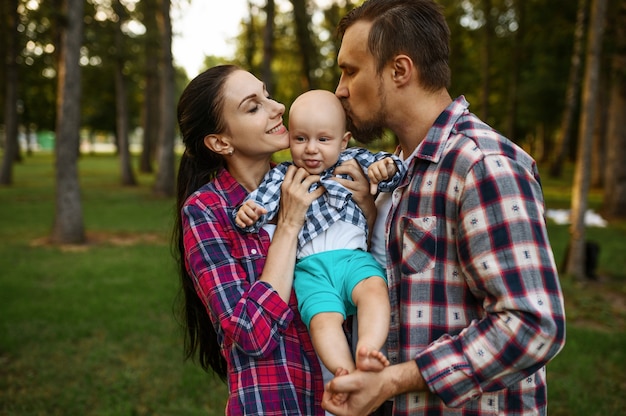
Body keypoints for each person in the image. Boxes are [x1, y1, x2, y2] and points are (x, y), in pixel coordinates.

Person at [322, 1, 567, 415]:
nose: (339, 89)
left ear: (400, 70)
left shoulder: (481, 165)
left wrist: (396, 379)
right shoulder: (394, 171)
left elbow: (533, 324)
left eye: (350, 70)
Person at [173, 65, 374, 415]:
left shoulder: (309, 177)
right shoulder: (207, 211)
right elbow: (250, 332)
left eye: (267, 94)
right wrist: (288, 223)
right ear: (221, 142)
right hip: (277, 402)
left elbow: (357, 272)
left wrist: (366, 210)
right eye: (253, 106)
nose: (277, 106)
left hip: (344, 398)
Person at [234, 89, 406, 376]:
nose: (311, 148)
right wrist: (248, 212)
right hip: (310, 270)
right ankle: (344, 371)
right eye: (301, 139)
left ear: (343, 141)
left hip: (353, 259)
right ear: (289, 139)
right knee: (322, 320)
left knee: (375, 291)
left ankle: (368, 349)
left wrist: (386, 168)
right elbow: (257, 204)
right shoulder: (283, 175)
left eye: (323, 139)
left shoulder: (352, 160)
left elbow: (392, 169)